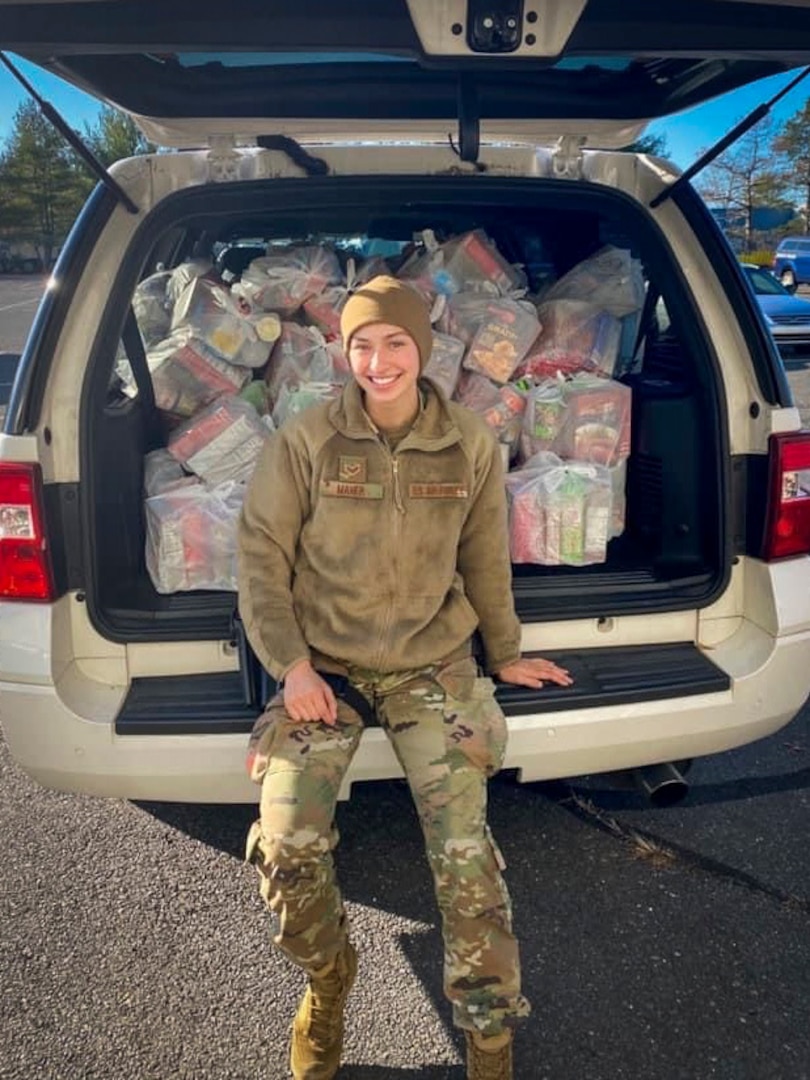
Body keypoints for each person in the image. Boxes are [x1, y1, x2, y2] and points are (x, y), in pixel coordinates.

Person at [237, 275, 572, 1080]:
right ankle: (328, 981)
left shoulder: (468, 442)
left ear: (422, 350)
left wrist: (504, 651)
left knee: (465, 860)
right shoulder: (307, 441)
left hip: (432, 667)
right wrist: (292, 667)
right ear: (343, 351)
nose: (378, 360)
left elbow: (486, 559)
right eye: (362, 343)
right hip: (331, 672)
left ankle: (490, 1043)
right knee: (284, 845)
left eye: (395, 342)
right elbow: (260, 558)